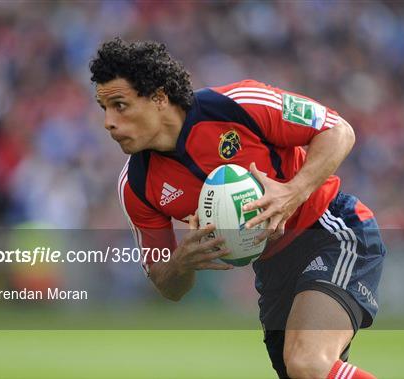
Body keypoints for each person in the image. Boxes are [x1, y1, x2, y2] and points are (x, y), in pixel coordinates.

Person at [90, 38, 385, 379]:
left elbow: (338, 130)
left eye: (120, 105)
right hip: (273, 269)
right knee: (304, 370)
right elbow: (166, 284)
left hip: (332, 230)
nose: (108, 122)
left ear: (158, 98)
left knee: (307, 363)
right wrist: (182, 261)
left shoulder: (235, 104)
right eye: (104, 109)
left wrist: (293, 193)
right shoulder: (136, 185)